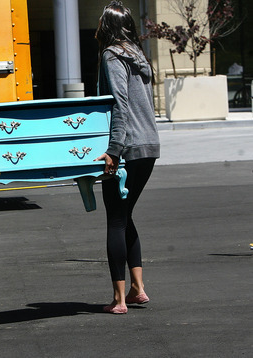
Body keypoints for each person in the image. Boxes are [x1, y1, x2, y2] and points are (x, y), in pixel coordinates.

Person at [94, 1, 160, 314]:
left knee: (116, 219)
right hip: (149, 146)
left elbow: (119, 104)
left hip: (128, 147)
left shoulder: (112, 54)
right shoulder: (138, 55)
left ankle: (119, 300)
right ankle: (138, 289)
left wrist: (113, 151)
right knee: (126, 214)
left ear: (107, 26)